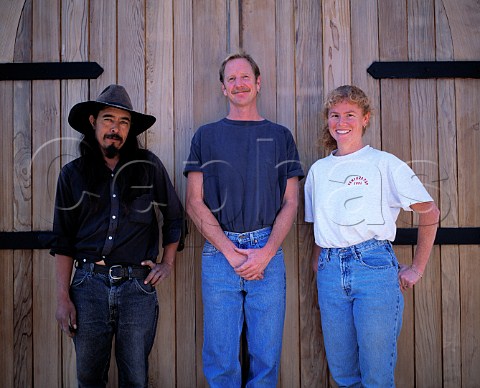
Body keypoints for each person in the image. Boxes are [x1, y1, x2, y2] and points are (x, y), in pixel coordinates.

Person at [304, 85, 440, 387]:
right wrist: (318, 266)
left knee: (376, 375)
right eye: (335, 115)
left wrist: (416, 268)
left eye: (350, 114)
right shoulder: (318, 171)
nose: (342, 122)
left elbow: (430, 212)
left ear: (366, 118)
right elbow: (318, 226)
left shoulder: (384, 163)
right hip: (329, 273)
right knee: (343, 373)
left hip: (373, 269)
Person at [51, 84, 185, 388]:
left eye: (123, 122)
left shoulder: (148, 166)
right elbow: (63, 240)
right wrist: (62, 298)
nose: (116, 129)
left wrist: (167, 263)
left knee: (136, 378)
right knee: (88, 377)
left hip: (137, 288)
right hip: (88, 287)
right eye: (109, 119)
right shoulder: (72, 175)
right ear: (93, 122)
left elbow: (175, 215)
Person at [184, 53, 304, 387]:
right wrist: (230, 251)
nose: (239, 84)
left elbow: (291, 202)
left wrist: (265, 252)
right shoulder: (206, 136)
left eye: (245, 77)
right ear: (223, 88)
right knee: (221, 359)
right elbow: (194, 203)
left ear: (258, 82)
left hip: (268, 250)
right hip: (219, 254)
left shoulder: (280, 136)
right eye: (231, 79)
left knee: (266, 358)